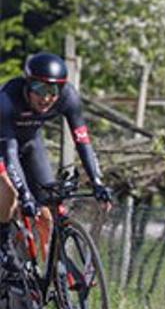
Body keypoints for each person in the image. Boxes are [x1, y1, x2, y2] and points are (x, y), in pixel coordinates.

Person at [0, 53, 112, 270]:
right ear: (27, 85)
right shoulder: (7, 99)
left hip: (31, 142)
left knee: (47, 212)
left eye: (53, 91)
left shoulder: (68, 97)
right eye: (40, 89)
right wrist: (25, 195)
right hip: (4, 144)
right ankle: (3, 243)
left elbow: (82, 140)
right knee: (13, 194)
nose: (47, 98)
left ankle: (50, 276)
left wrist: (97, 182)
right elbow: (10, 153)